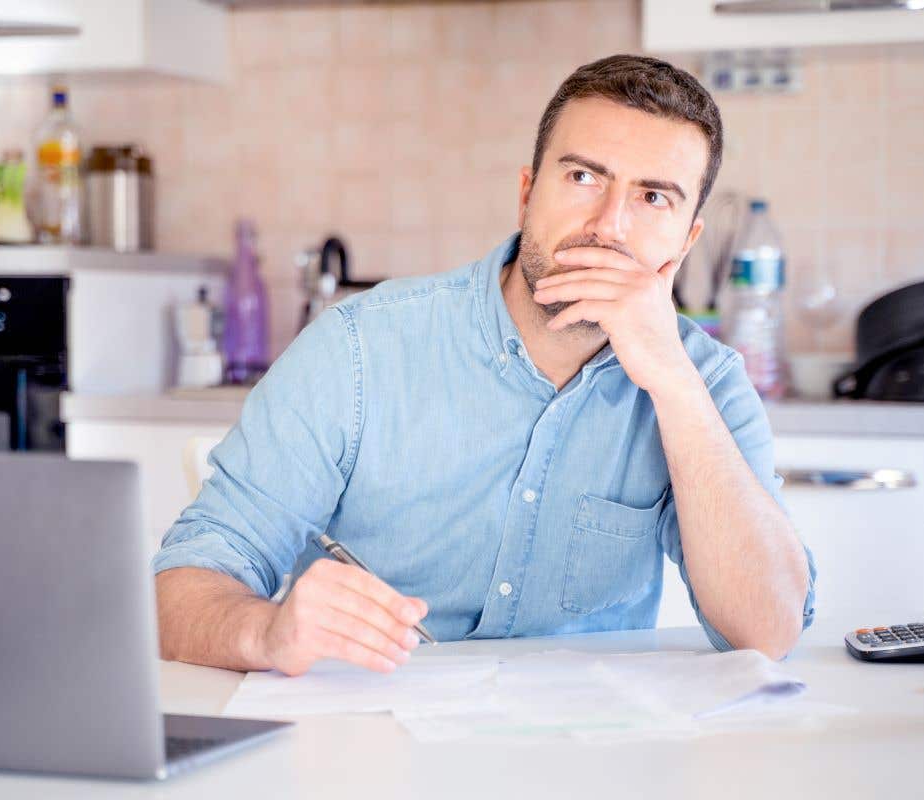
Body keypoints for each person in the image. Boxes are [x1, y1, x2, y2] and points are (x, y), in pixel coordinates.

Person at [154, 54, 816, 677]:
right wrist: (265, 632)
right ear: (527, 193)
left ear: (686, 238)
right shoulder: (357, 350)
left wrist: (674, 385)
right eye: (583, 177)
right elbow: (180, 593)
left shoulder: (706, 381)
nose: (609, 226)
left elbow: (769, 633)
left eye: (653, 199)